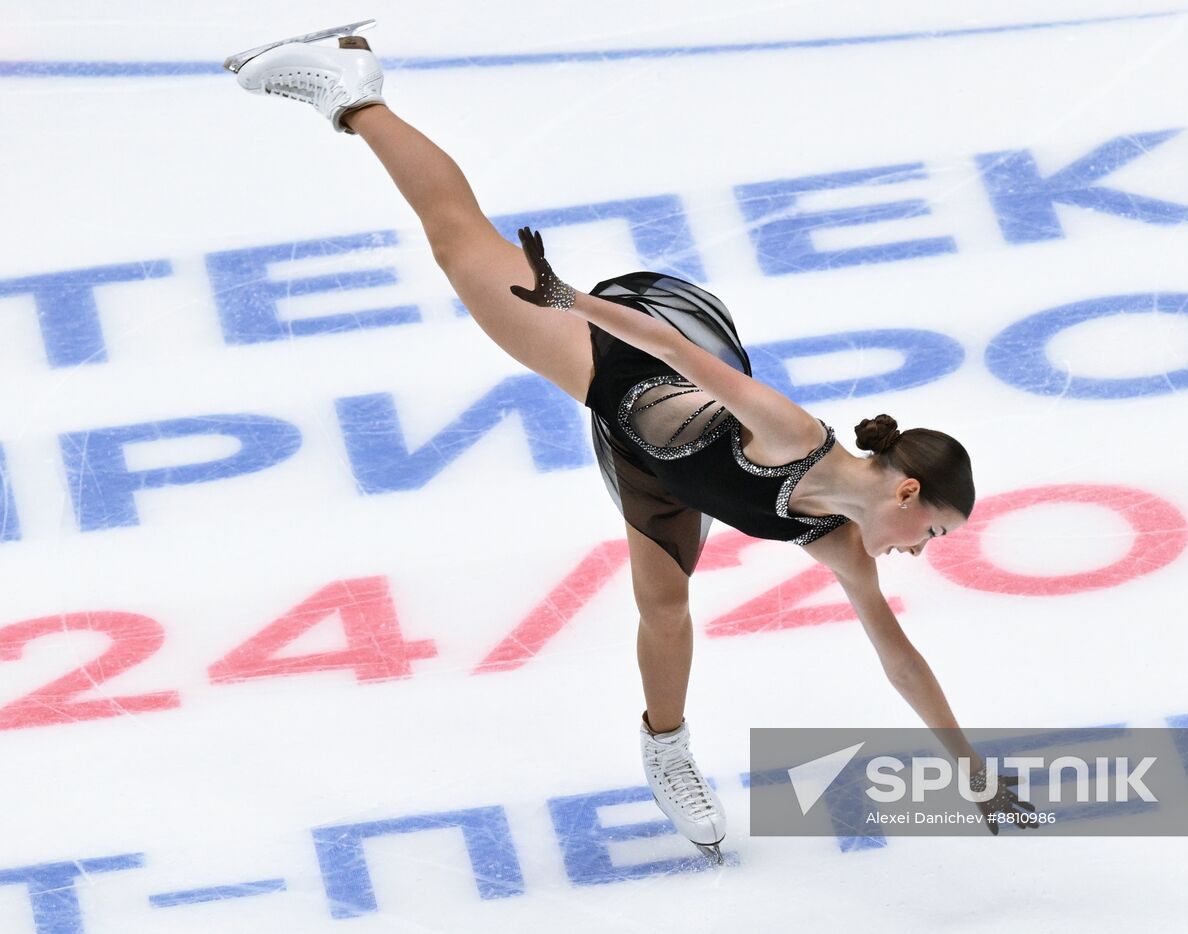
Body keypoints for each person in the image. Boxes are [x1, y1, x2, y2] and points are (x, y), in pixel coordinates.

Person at [222, 20, 1036, 860]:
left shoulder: (840, 544)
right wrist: (567, 298)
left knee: (664, 604)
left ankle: (665, 748)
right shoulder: (793, 434)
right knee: (457, 239)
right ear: (906, 489)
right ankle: (352, 89)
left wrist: (971, 774)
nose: (923, 550)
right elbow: (678, 352)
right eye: (933, 532)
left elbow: (898, 658)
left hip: (653, 464)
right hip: (634, 350)